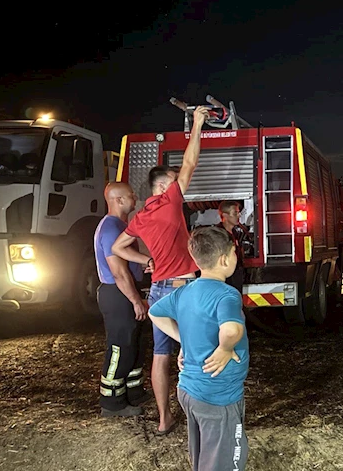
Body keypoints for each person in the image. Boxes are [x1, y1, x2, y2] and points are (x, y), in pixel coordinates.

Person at [111, 105, 209, 435]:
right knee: (194, 352)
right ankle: (200, 416)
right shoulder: (169, 200)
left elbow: (118, 247)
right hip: (183, 288)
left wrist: (146, 261)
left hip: (158, 291)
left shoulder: (141, 216)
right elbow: (191, 162)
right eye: (173, 181)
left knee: (161, 356)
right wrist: (196, 124)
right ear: (164, 185)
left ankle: (165, 419)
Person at [148, 226, 249, 471]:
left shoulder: (185, 291)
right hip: (218, 396)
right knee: (224, 462)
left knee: (206, 455)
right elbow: (232, 330)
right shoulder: (227, 295)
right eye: (235, 252)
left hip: (190, 391)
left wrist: (185, 339)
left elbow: (155, 312)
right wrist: (225, 348)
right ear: (225, 259)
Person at [94, 182, 151, 416]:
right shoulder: (110, 229)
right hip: (118, 294)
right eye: (130, 195)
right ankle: (112, 402)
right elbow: (118, 272)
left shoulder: (118, 225)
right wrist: (135, 300)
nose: (135, 198)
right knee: (120, 345)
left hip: (125, 290)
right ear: (118, 200)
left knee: (135, 343)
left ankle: (133, 392)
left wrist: (143, 263)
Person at [218, 200, 248, 294]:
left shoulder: (235, 233)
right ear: (225, 216)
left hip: (236, 275)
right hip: (226, 278)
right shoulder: (219, 235)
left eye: (239, 213)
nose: (239, 216)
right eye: (235, 213)